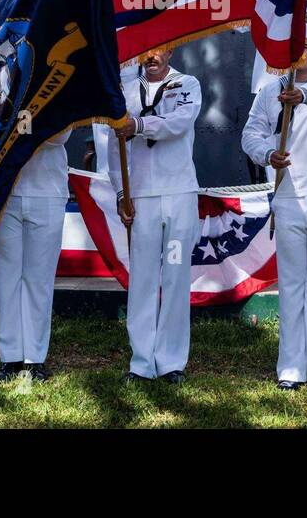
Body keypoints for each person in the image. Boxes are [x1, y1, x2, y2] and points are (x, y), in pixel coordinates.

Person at [242, 13, 307, 392]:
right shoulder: (271, 89)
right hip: (288, 196)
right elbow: (251, 134)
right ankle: (289, 368)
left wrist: (301, 95)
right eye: (295, 47)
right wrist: (268, 153)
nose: (300, 53)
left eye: (306, 47)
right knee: (290, 284)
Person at [107, 48, 202, 383]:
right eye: (146, 50)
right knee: (143, 279)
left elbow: (178, 123)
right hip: (143, 197)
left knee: (176, 276)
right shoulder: (126, 92)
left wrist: (138, 124)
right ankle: (142, 362)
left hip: (179, 194)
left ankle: (172, 361)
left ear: (172, 49)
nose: (152, 56)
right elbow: (112, 147)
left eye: (159, 48)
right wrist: (121, 193)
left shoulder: (187, 84)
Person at [0, 130, 70, 383]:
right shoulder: (0, 87)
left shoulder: (55, 87)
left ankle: (34, 358)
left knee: (39, 279)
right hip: (4, 189)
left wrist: (15, 127)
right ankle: (10, 356)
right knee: (7, 278)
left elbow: (59, 134)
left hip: (47, 189)